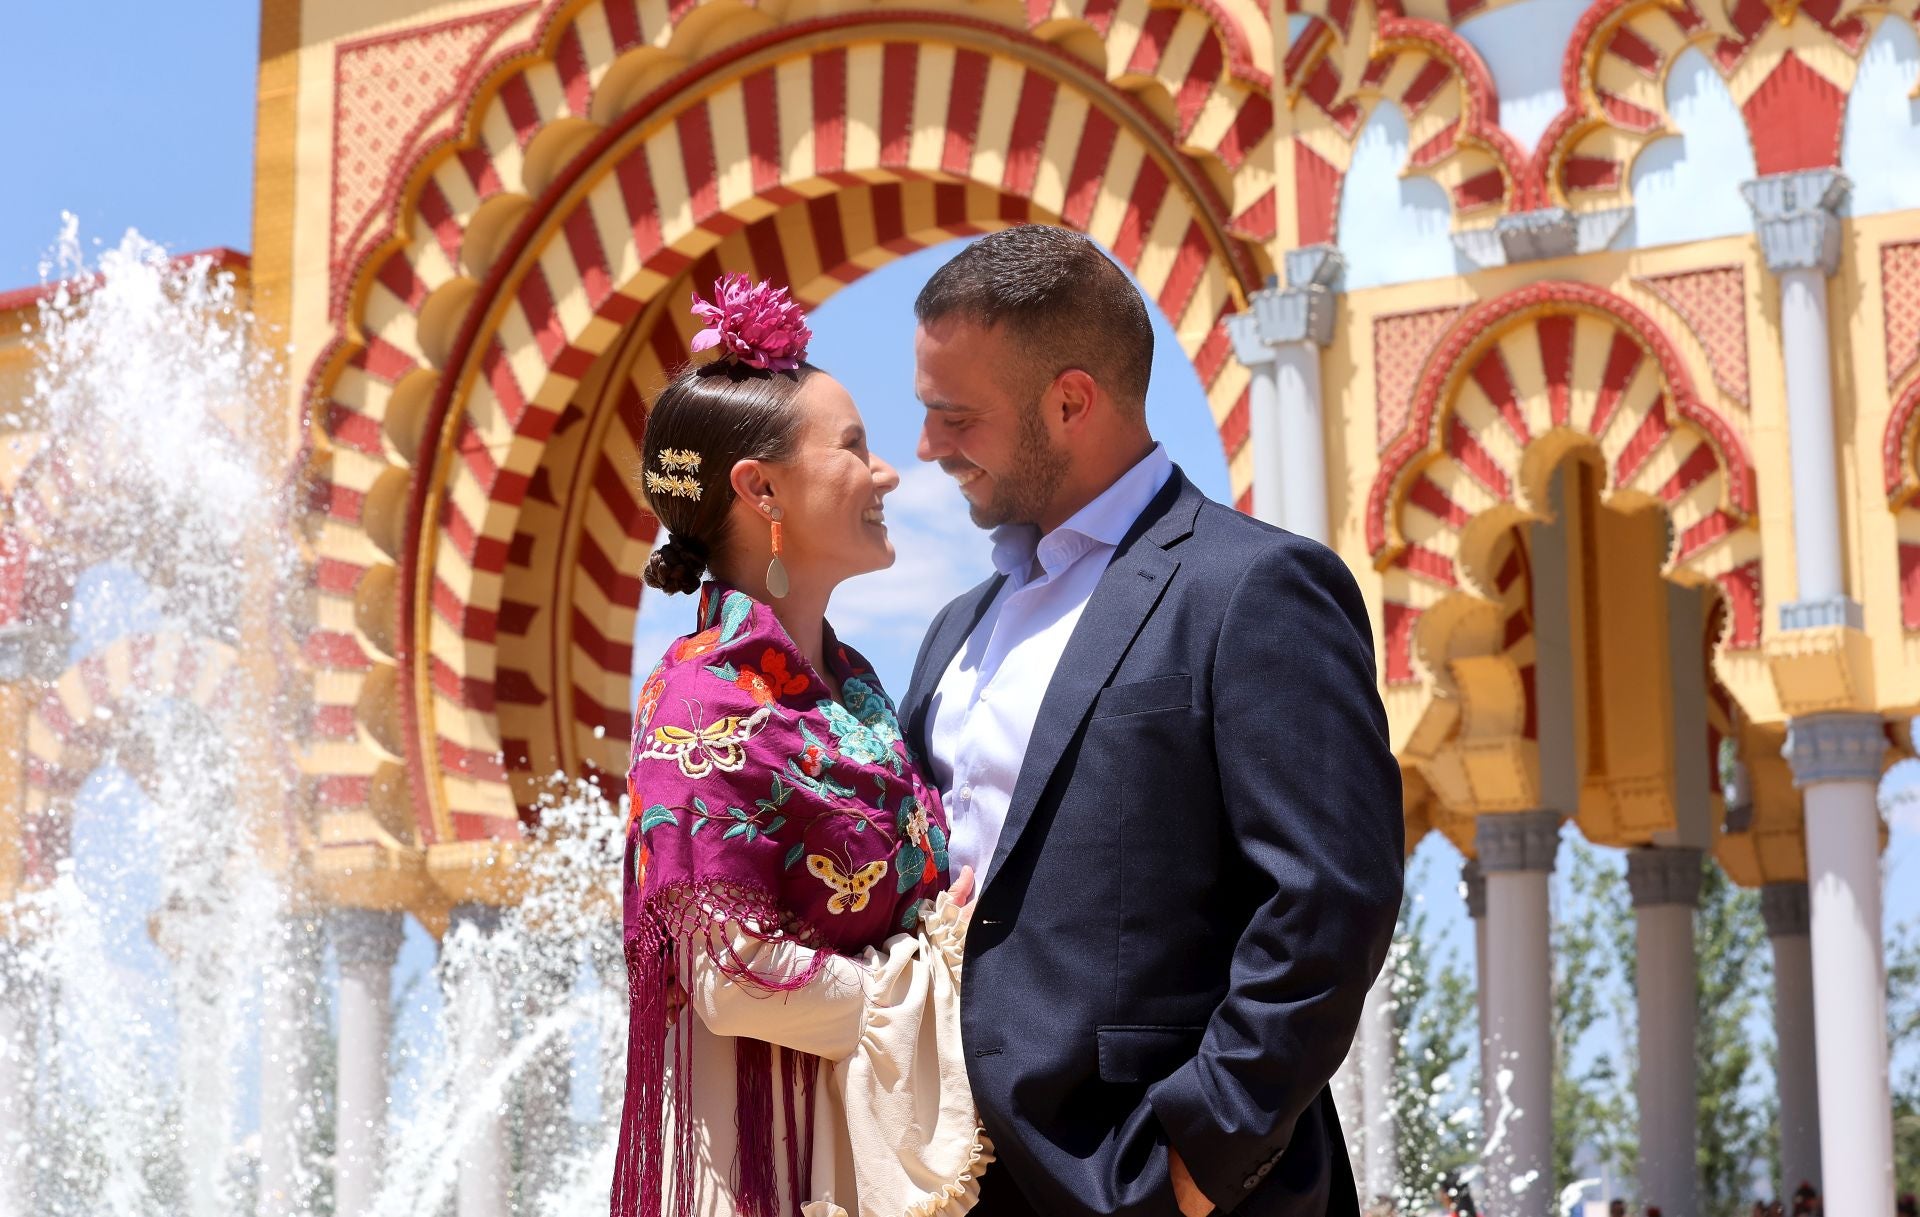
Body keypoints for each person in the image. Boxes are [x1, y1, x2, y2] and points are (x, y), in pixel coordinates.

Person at [901, 225, 1405, 1216]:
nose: (926, 447)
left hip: (1149, 1184)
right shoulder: (954, 633)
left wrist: (1194, 1160)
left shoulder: (1252, 588)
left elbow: (1328, 902)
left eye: (955, 415)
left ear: (1072, 400)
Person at [613, 275, 990, 1217]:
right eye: (854, 447)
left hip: (866, 1153)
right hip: (772, 1167)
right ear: (761, 486)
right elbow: (729, 971)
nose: (888, 472)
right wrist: (929, 980)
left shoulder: (851, 684)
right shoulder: (701, 696)